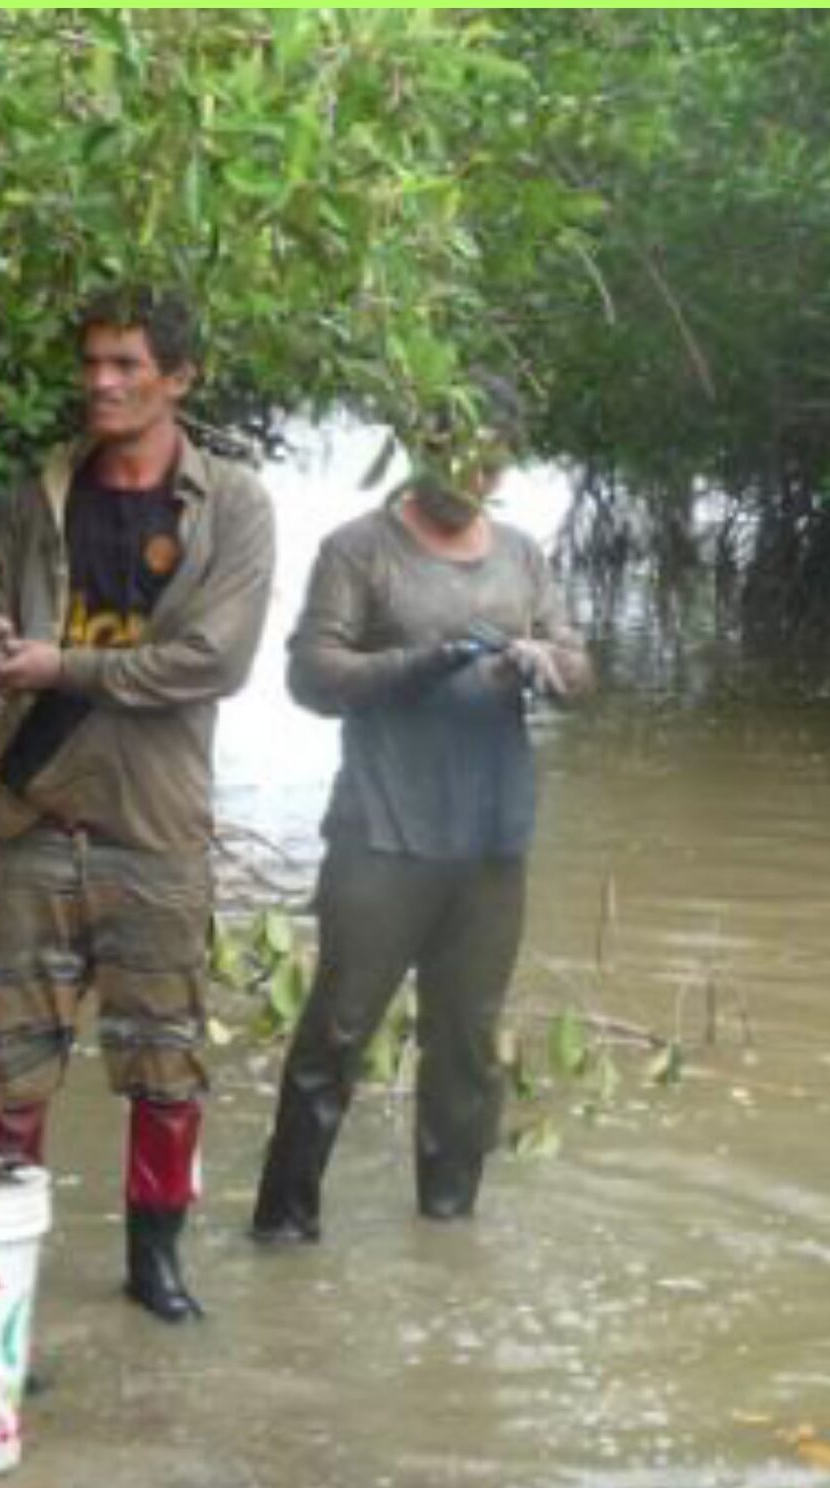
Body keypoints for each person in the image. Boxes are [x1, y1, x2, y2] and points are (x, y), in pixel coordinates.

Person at [0, 287, 276, 1322]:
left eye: (128, 364)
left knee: (166, 1057)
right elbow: (2, 633)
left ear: (177, 379)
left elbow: (213, 662)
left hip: (156, 824)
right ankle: (4, 1269)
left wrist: (60, 665)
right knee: (10, 1060)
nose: (102, 381)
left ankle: (155, 1265)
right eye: (93, 362)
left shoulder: (233, 503)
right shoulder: (36, 493)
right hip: (36, 809)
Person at [250, 385, 591, 1240]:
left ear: (506, 461)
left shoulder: (521, 555)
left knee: (468, 1052)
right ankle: (284, 1231)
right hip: (381, 836)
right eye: (453, 453)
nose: (470, 474)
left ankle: (448, 1230)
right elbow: (308, 677)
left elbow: (580, 669)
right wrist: (421, 663)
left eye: (489, 461)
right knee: (334, 1036)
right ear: (417, 446)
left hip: (491, 845)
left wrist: (543, 664)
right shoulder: (359, 550)